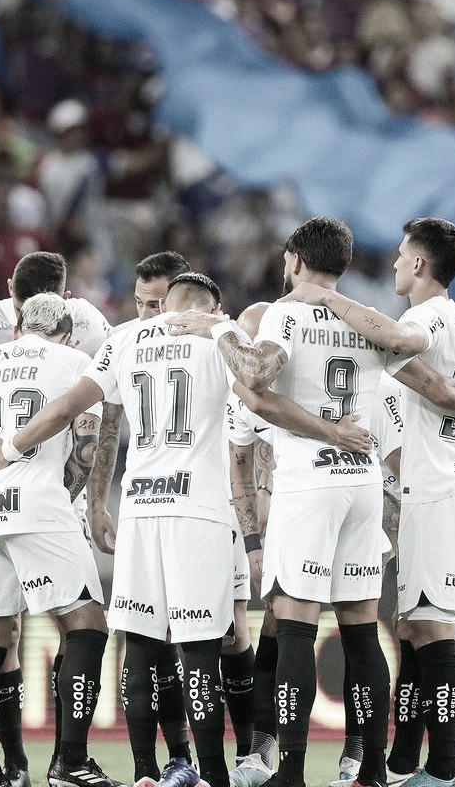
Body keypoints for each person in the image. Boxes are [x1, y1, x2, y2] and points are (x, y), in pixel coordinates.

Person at [0, 273, 242, 787]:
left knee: (136, 643)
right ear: (211, 306)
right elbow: (261, 387)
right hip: (197, 508)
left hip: (139, 508)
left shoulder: (122, 341)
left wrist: (8, 447)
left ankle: (142, 772)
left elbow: (70, 408)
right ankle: (213, 776)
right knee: (198, 648)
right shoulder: (218, 339)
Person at [170, 218, 396, 787]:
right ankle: (369, 770)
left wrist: (217, 329)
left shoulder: (284, 313)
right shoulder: (365, 318)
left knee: (294, 622)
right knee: (361, 628)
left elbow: (253, 374)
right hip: (363, 482)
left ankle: (289, 772)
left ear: (294, 259)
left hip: (310, 482)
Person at [279, 218, 455, 787]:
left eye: (404, 255)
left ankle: (444, 769)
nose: (398, 263)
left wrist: (326, 302)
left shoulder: (419, 320)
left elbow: (438, 389)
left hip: (438, 488)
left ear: (420, 265)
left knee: (430, 630)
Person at [0, 292, 118, 787]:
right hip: (38, 503)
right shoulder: (76, 359)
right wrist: (65, 496)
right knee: (86, 626)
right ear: (66, 333)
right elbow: (87, 444)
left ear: (16, 329)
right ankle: (71, 762)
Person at [87, 251, 193, 784]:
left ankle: (222, 761)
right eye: (140, 302)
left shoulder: (213, 339)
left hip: (202, 510)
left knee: (210, 640)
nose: (149, 314)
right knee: (140, 638)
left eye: (159, 303)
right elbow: (108, 423)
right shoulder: (124, 342)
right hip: (143, 506)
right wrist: (95, 500)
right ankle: (151, 769)